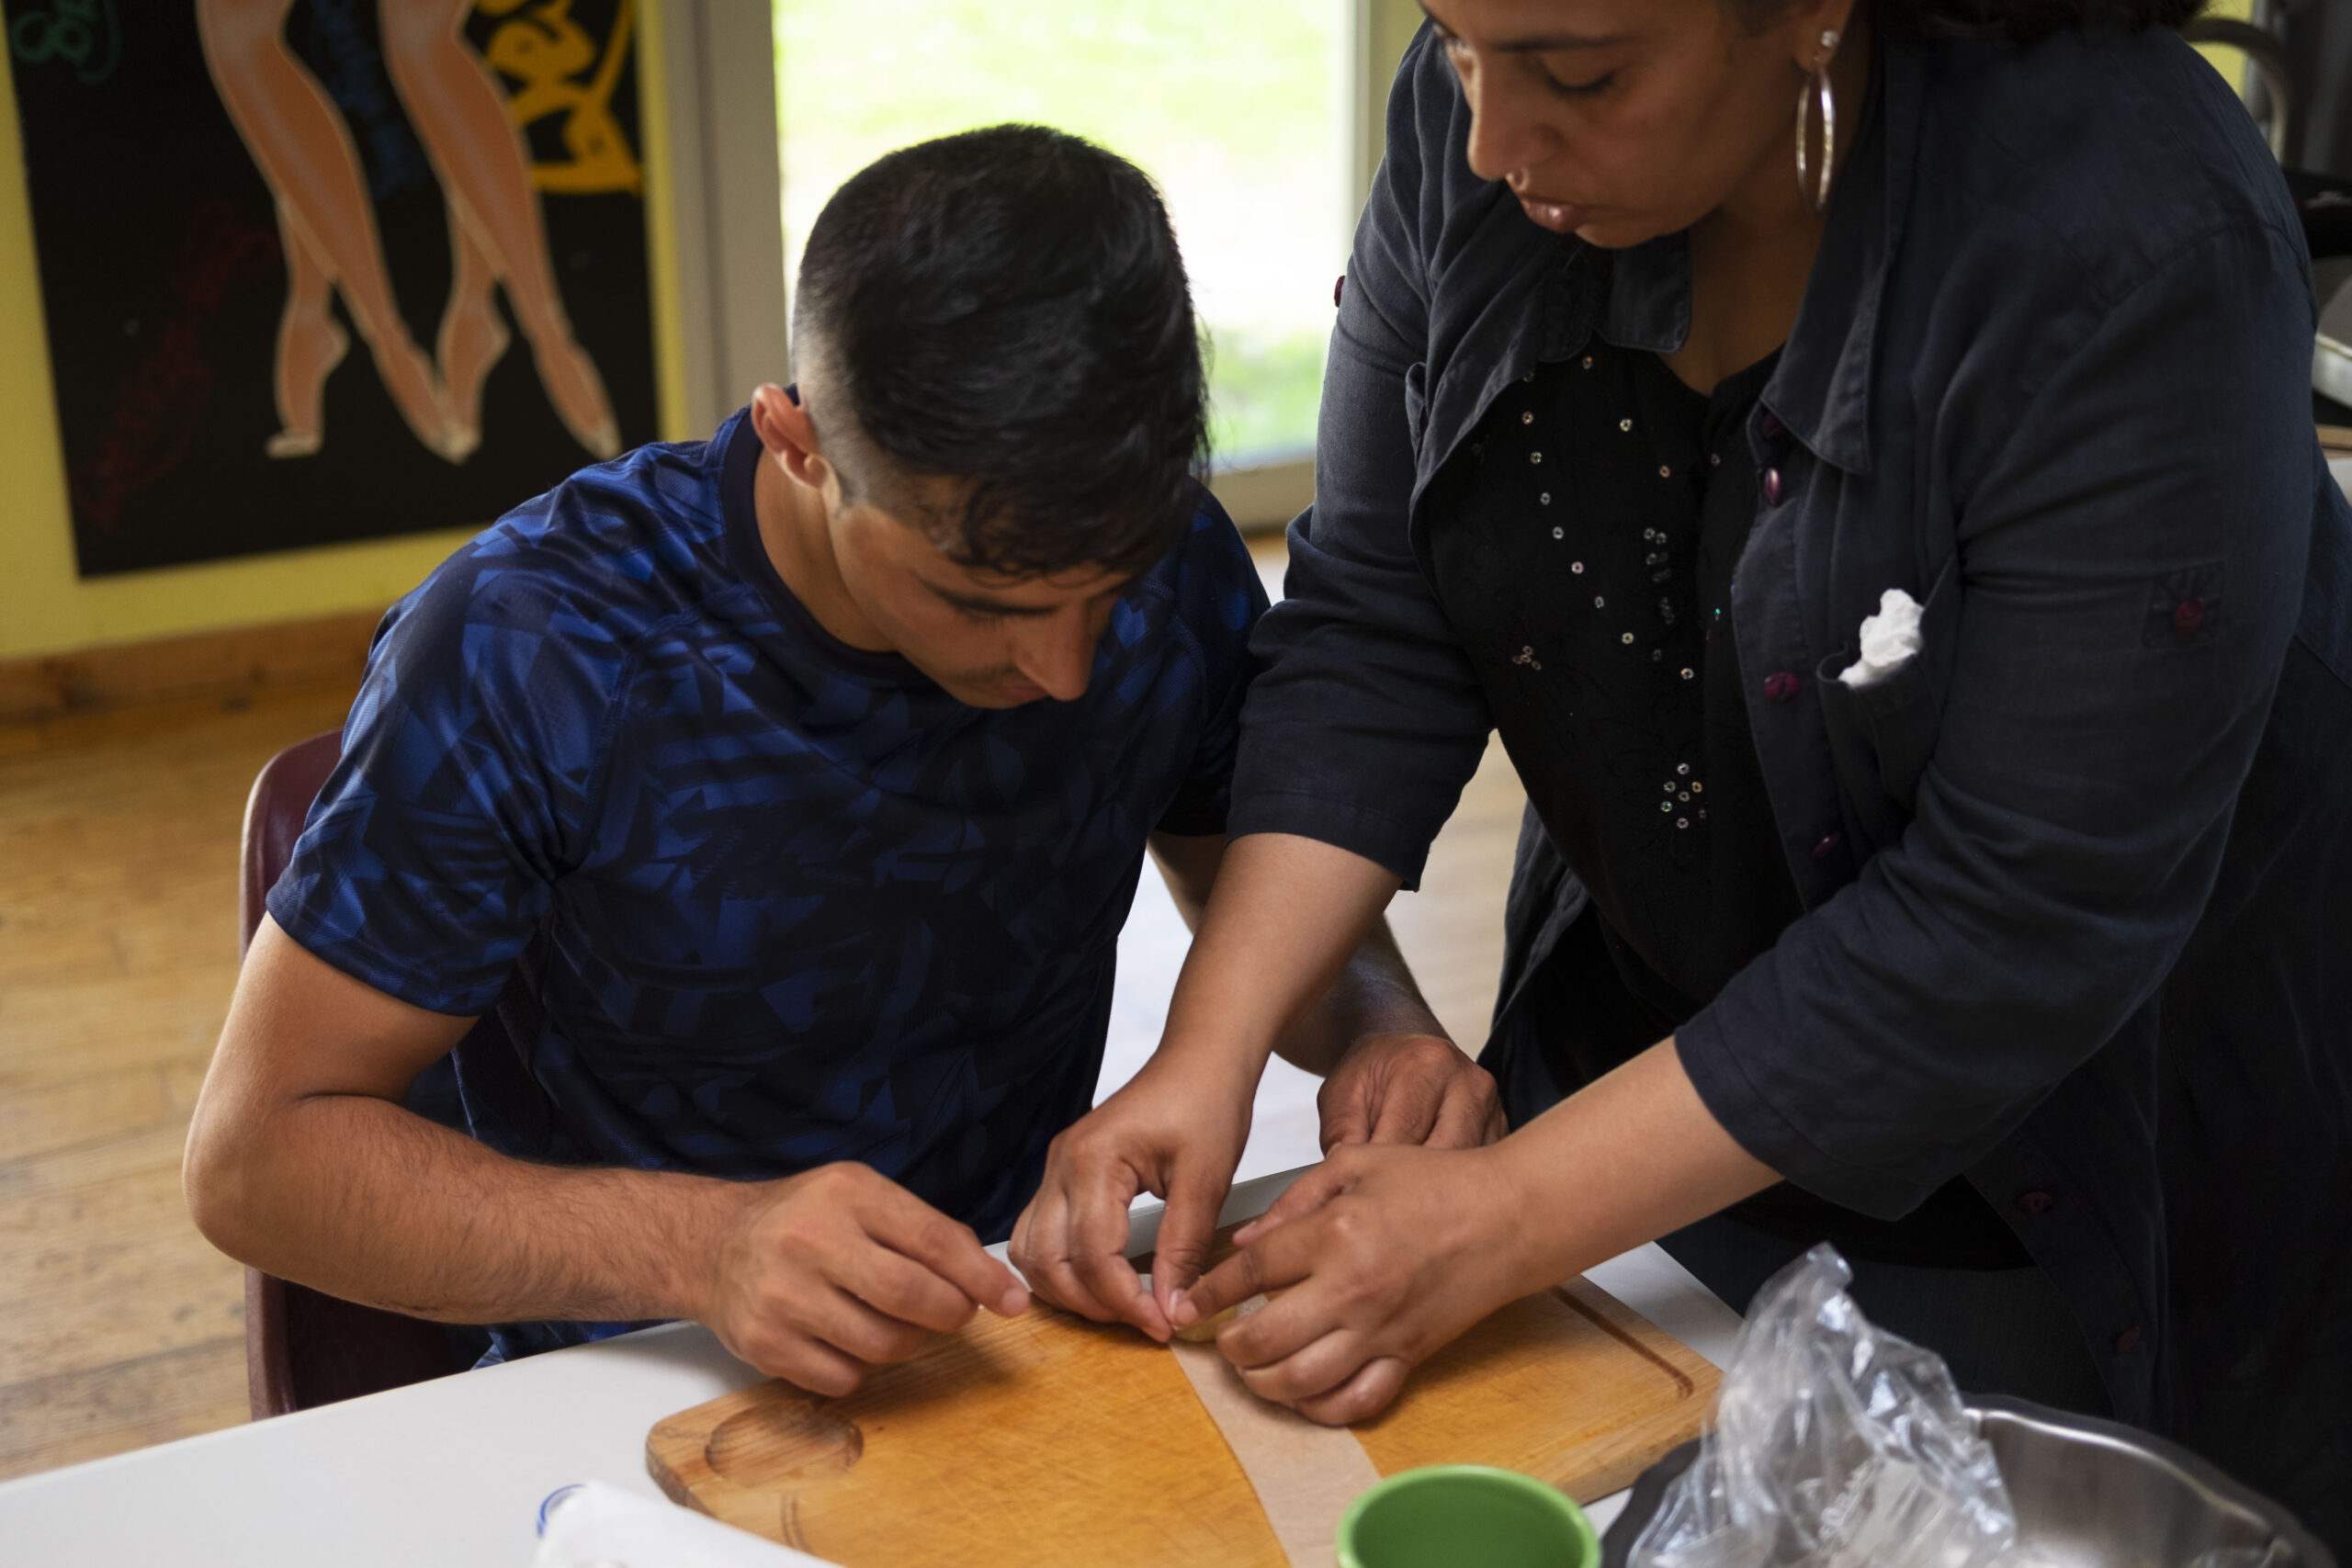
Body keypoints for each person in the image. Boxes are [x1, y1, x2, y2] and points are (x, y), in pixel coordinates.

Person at [1012, 0, 2352, 1541]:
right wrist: (1210, 1050)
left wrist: (1503, 1219)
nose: (1494, 142)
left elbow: (2011, 922)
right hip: (1642, 1061)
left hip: (2077, 1150)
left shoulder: (2133, 235)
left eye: (1580, 75)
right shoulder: (1492, 114)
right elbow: (1378, 619)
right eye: (1455, 48)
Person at [184, 125, 1498, 1392]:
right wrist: (705, 1249)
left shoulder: (1177, 563)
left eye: (1107, 594)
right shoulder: (534, 647)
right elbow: (256, 1162)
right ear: (798, 444)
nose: (1065, 672)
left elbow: (1255, 885)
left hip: (1021, 1326)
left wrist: (1381, 1029)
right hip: (636, 1374)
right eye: (981, 605)